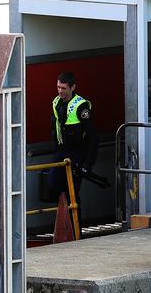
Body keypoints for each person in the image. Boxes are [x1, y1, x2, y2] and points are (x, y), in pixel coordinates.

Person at [48, 72, 99, 221]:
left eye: (64, 88)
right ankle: (65, 225)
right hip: (61, 152)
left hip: (76, 154)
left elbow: (93, 138)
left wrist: (87, 164)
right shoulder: (56, 102)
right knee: (53, 186)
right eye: (58, 87)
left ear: (73, 87)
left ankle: (76, 230)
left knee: (72, 194)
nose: (60, 91)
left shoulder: (81, 106)